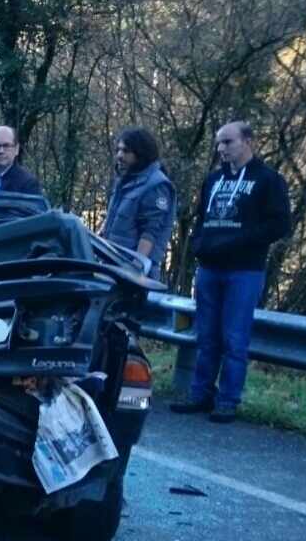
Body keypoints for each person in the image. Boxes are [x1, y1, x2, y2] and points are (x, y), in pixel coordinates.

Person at [170, 121, 293, 423]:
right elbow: (201, 218)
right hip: (210, 268)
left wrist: (242, 240)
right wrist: (200, 243)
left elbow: (281, 224)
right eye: (219, 143)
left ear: (248, 142)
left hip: (244, 271)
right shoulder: (213, 180)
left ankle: (228, 400)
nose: (222, 149)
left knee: (234, 339)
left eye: (228, 142)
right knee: (206, 337)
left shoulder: (268, 180)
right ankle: (200, 393)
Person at [99, 126, 176, 281]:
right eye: (118, 150)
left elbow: (150, 232)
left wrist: (134, 271)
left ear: (141, 154)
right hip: (113, 265)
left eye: (126, 151)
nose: (119, 156)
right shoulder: (126, 182)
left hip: (131, 273)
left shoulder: (155, 186)